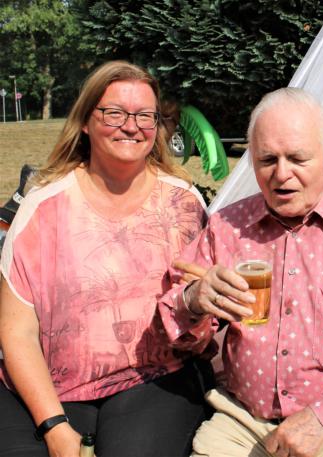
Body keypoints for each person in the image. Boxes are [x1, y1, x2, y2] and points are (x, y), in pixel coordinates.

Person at [157, 87, 323, 457]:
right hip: (243, 421)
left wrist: (322, 419)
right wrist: (193, 302)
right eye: (268, 159)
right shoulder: (227, 228)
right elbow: (177, 329)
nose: (282, 174)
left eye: (298, 158)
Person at [0, 61, 214, 457]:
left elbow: (202, 319)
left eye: (145, 116)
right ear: (85, 121)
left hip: (152, 379)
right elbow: (17, 332)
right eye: (114, 113)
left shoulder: (184, 205)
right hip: (51, 387)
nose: (131, 126)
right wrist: (53, 426)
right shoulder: (44, 208)